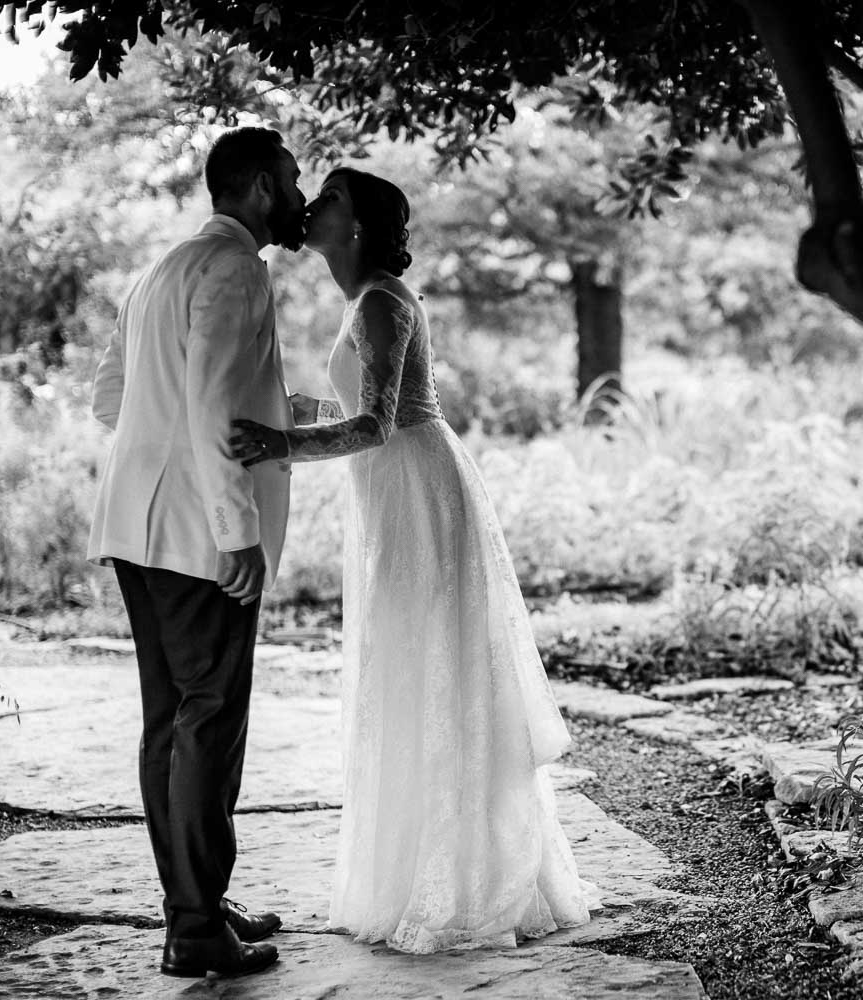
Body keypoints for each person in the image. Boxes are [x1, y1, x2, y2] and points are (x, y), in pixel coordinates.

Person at [230, 167, 599, 953]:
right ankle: (413, 868)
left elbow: (377, 425)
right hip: (394, 491)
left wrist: (284, 444)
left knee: (435, 670)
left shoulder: (385, 302)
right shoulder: (366, 303)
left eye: (327, 198)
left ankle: (465, 880)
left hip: (420, 496)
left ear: (355, 225)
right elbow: (369, 412)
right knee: (408, 669)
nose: (314, 208)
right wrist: (308, 413)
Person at [87, 126, 307, 978]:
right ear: (256, 187)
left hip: (135, 526)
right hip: (193, 535)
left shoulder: (157, 270)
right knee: (210, 720)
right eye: (290, 183)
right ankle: (195, 927)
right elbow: (215, 401)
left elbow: (113, 396)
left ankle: (198, 902)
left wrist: (156, 451)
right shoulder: (238, 268)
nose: (299, 197)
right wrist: (235, 531)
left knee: (169, 723)